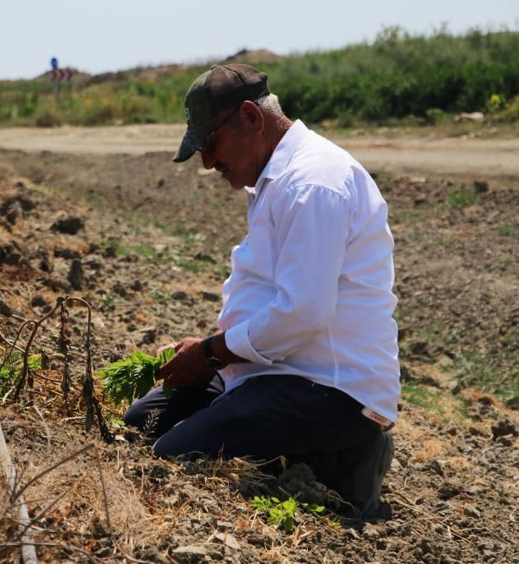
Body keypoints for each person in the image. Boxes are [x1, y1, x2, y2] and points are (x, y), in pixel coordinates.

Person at [123, 64, 399, 520]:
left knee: (173, 456)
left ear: (251, 117)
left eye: (210, 144)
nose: (209, 163)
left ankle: (347, 456)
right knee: (143, 425)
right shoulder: (275, 179)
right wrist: (211, 350)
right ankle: (307, 448)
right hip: (270, 368)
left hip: (329, 389)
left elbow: (303, 313)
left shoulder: (313, 183)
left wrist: (211, 353)